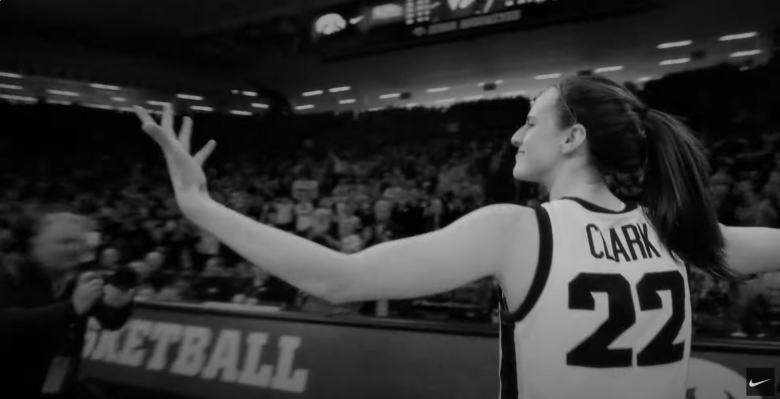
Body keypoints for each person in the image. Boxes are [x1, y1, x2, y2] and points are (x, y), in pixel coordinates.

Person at [132, 73, 780, 399]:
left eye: (531, 121)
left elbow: (338, 278)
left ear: (573, 138)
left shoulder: (516, 231)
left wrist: (200, 205)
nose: (516, 136)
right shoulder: (676, 232)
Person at [0, 212, 135, 399]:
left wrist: (118, 305)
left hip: (58, 381)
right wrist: (70, 309)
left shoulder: (76, 280)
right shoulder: (10, 271)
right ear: (37, 244)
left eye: (79, 243)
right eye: (64, 242)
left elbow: (111, 322)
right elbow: (7, 323)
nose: (73, 249)